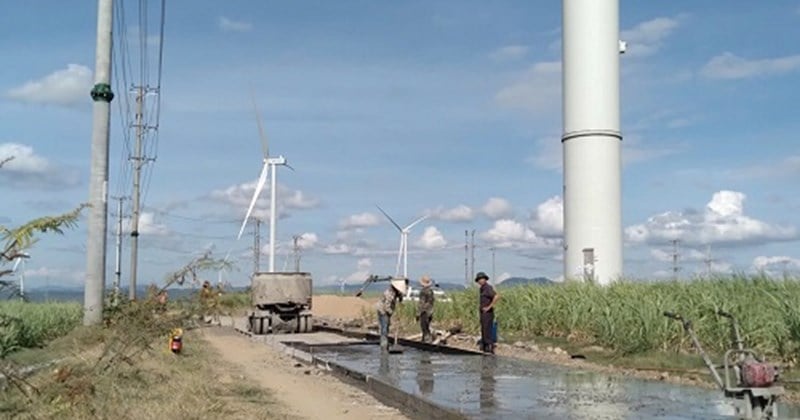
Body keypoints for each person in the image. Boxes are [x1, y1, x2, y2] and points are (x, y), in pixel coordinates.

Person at [375, 277, 407, 351]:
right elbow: (387, 307)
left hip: (387, 310)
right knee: (384, 327)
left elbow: (400, 297)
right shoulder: (388, 293)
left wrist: (401, 300)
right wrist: (392, 313)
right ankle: (384, 345)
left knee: (387, 326)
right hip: (382, 310)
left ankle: (385, 342)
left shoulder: (396, 292)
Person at [475, 272, 500, 354]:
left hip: (488, 313)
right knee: (483, 329)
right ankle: (485, 346)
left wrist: (489, 307)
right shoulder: (482, 288)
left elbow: (496, 296)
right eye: (479, 279)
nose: (480, 281)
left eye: (481, 279)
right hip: (483, 312)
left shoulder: (488, 288)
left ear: (485, 279)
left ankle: (489, 347)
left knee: (487, 329)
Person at [417, 275, 435, 343]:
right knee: (427, 326)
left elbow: (422, 304)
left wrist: (418, 313)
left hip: (424, 312)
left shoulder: (423, 292)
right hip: (430, 311)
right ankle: (425, 340)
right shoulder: (431, 291)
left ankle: (427, 341)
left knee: (424, 328)